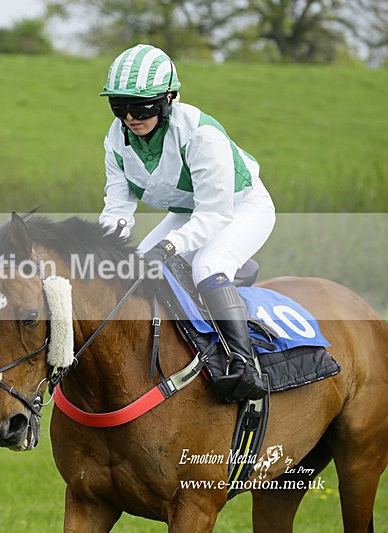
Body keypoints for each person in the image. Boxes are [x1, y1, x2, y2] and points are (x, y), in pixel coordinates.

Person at [97, 44, 276, 403]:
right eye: (120, 106)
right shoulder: (116, 140)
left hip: (240, 207)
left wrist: (169, 247)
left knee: (209, 265)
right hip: (188, 209)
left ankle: (244, 366)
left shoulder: (200, 134)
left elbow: (214, 213)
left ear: (169, 99)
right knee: (134, 270)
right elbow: (117, 207)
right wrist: (102, 247)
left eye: (142, 105)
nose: (131, 117)